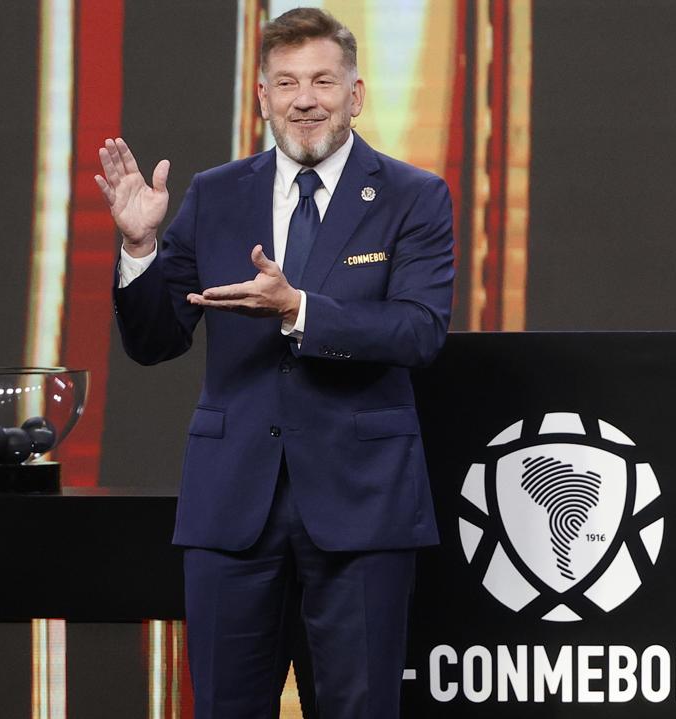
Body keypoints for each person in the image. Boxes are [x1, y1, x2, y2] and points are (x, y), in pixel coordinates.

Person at [95, 8, 454, 718]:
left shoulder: (414, 196)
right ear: (261, 98)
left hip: (361, 508)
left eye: (323, 79)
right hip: (231, 509)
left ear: (354, 94)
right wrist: (139, 248)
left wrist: (299, 309)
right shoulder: (215, 194)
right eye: (286, 82)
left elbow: (419, 332)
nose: (304, 98)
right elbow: (155, 339)